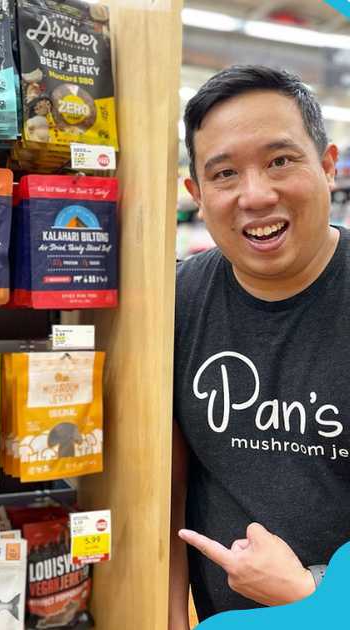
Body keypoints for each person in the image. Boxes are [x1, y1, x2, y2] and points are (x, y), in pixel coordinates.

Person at [170, 65, 349, 627]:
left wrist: (310, 593)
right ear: (197, 195)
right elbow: (166, 484)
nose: (256, 195)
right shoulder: (176, 301)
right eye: (224, 174)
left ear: (327, 166)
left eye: (280, 160)